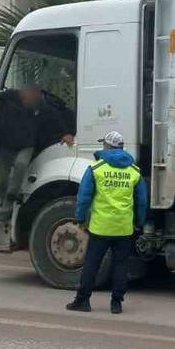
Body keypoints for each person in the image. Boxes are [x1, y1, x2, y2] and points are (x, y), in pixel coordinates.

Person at [66, 131, 149, 315]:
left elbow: (84, 197)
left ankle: (83, 301)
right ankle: (116, 303)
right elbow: (142, 201)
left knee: (92, 264)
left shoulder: (96, 169)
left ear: (107, 147)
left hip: (100, 227)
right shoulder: (134, 172)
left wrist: (80, 218)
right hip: (124, 228)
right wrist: (139, 222)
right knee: (121, 265)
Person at [0, 83, 74, 221]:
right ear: (22, 93)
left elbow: (55, 118)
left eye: (34, 96)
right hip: (4, 146)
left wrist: (66, 133)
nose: (31, 99)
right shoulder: (10, 96)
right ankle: (3, 201)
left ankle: (9, 203)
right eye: (28, 95)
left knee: (21, 166)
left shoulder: (41, 106)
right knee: (0, 179)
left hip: (26, 145)